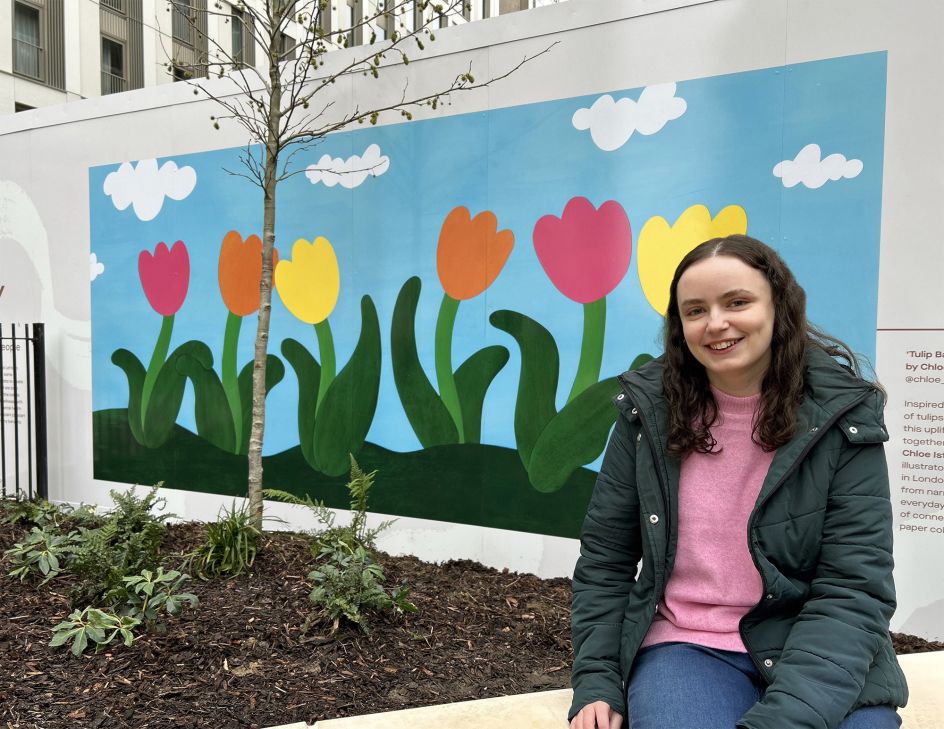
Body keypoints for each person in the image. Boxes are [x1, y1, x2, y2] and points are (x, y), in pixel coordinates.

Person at [569, 235, 908, 729]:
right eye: (695, 310)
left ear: (779, 307)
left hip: (816, 649)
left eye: (737, 302)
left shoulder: (843, 416)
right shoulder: (648, 412)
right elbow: (606, 559)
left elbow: (854, 588)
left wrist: (785, 719)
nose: (716, 323)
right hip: (687, 646)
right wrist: (596, 679)